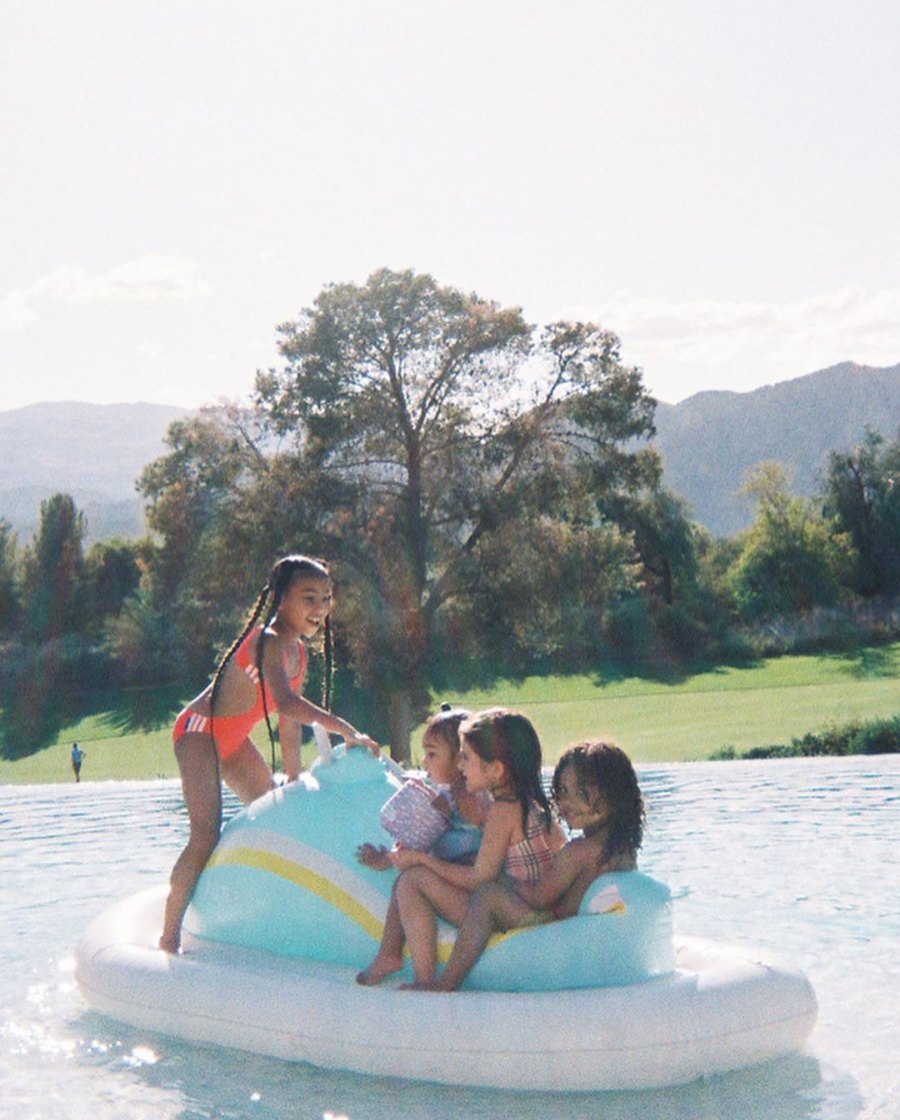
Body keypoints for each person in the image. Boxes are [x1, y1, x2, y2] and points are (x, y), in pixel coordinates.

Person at [159, 554, 379, 954]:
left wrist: (293, 778)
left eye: (326, 598)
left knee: (273, 812)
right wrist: (345, 728)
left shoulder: (297, 651)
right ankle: (170, 935)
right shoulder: (267, 641)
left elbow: (287, 720)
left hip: (232, 742)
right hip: (199, 734)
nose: (320, 609)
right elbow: (288, 702)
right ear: (281, 600)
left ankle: (253, 916)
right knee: (206, 832)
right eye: (309, 598)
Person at [413, 738, 646, 991]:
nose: (568, 803)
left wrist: (498, 877)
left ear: (614, 794)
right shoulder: (622, 848)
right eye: (563, 791)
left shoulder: (579, 852)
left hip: (552, 929)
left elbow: (538, 898)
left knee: (488, 896)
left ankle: (446, 982)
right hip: (577, 931)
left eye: (581, 792)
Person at [358, 707, 564, 989]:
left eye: (466, 758)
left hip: (519, 914)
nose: (460, 766)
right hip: (527, 906)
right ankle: (402, 963)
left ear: (496, 770)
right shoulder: (530, 801)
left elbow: (482, 878)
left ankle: (426, 979)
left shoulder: (502, 811)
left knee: (411, 881)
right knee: (414, 877)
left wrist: (421, 860)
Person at [355, 705, 488, 985]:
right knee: (405, 880)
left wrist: (453, 803)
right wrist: (386, 857)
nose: (425, 762)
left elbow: (480, 819)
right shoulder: (443, 798)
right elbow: (414, 846)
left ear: (461, 759)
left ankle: (422, 977)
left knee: (410, 881)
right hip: (457, 892)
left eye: (432, 754)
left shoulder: (474, 796)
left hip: (479, 904)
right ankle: (390, 955)